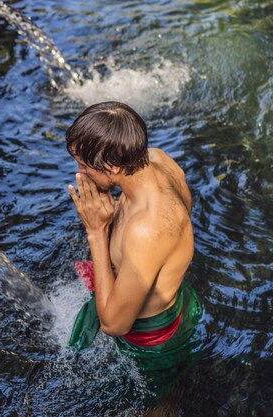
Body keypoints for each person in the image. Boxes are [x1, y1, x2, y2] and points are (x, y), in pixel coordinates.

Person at [66, 101, 203, 402]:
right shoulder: (159, 160)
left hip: (151, 340)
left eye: (84, 165)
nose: (80, 173)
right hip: (177, 299)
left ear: (113, 166)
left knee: (157, 405)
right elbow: (182, 217)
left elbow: (115, 324)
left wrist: (97, 231)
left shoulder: (147, 229)